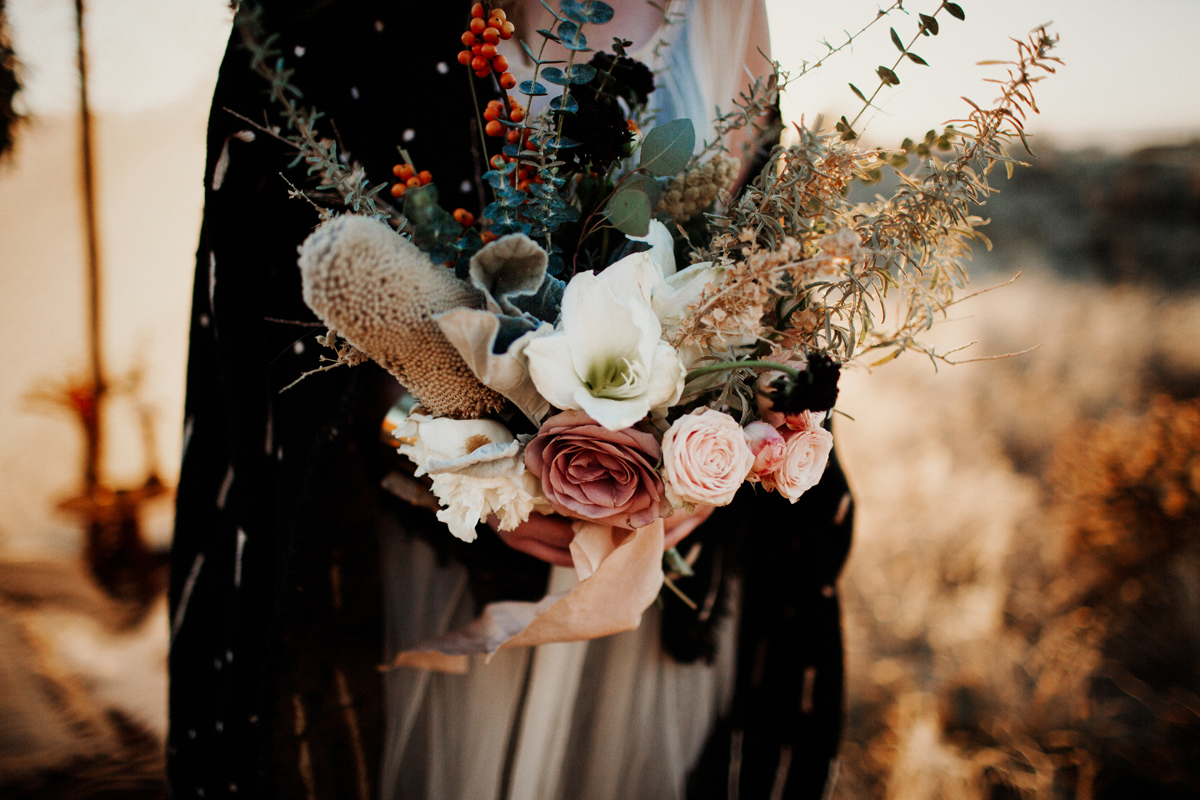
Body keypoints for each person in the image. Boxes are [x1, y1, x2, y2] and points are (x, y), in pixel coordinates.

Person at [169, 1, 853, 797]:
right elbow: (260, 314)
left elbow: (763, 284)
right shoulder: (324, 23)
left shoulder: (725, 15)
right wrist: (471, 460)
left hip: (656, 599)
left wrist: (720, 459)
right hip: (414, 569)